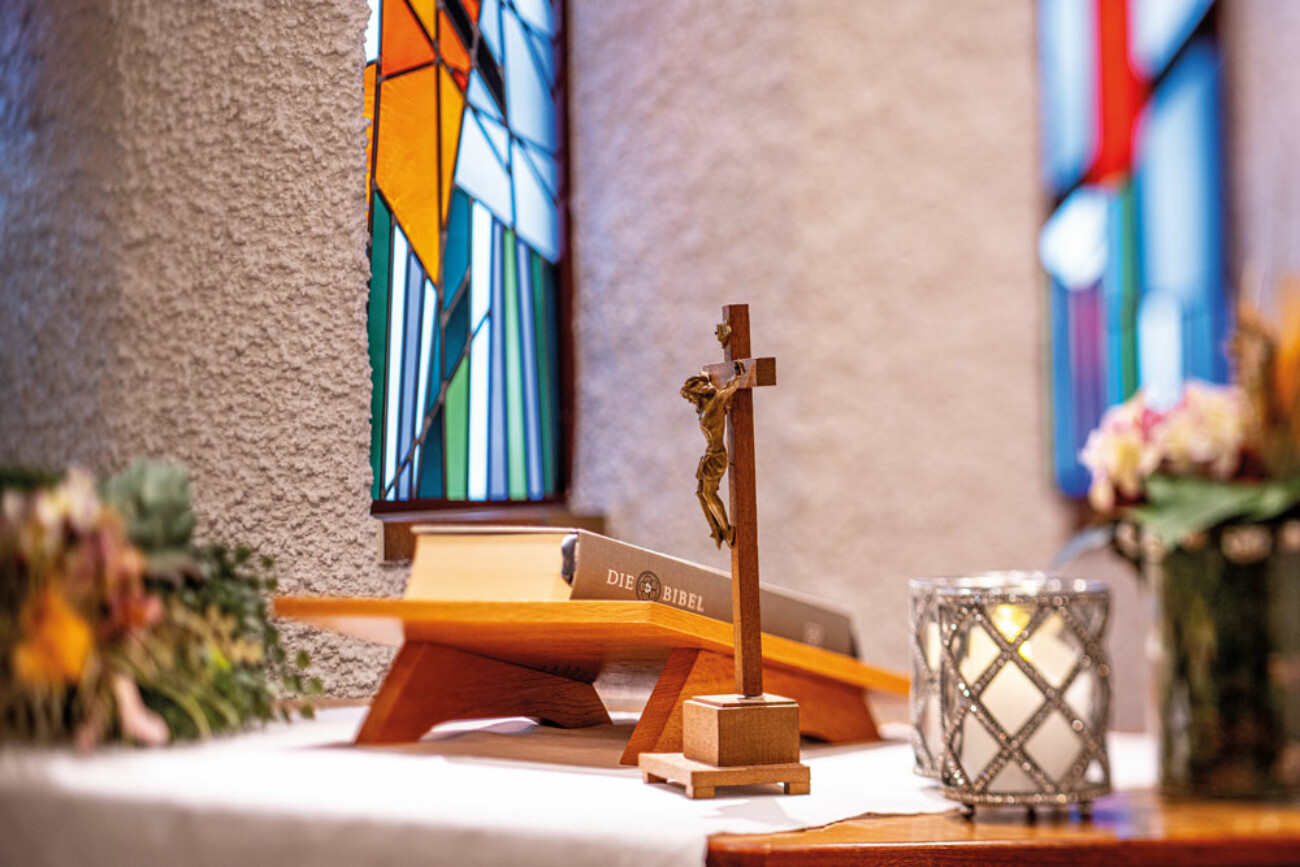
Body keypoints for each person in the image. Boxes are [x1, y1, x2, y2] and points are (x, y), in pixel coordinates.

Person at [681, 363, 744, 548]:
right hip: (708, 454)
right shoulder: (702, 408)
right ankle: (716, 531)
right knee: (700, 493)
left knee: (709, 493)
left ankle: (726, 529)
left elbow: (727, 389)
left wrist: (738, 375)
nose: (692, 400)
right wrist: (705, 377)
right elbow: (708, 379)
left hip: (717, 455)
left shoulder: (716, 402)